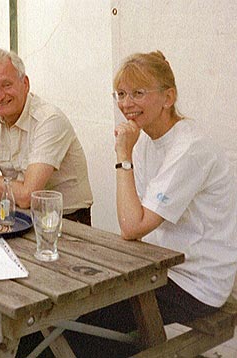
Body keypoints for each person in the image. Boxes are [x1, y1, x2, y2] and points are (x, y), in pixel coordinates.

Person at [67, 50, 237, 357]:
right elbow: (133, 222)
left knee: (84, 326)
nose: (126, 104)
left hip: (197, 283)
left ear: (168, 97)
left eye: (138, 93)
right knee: (76, 310)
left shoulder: (189, 149)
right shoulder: (146, 140)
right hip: (161, 267)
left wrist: (123, 157)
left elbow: (132, 227)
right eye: (121, 94)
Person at [0, 47, 93, 224]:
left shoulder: (49, 120)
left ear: (25, 84)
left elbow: (26, 196)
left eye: (7, 85)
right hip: (16, 216)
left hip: (66, 222)